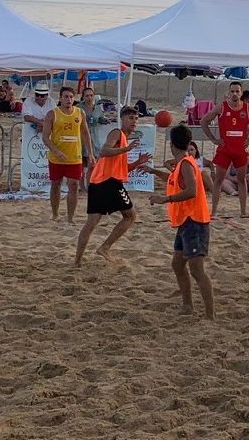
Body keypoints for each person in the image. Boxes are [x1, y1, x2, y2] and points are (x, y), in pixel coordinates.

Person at [76, 106, 152, 268]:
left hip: (99, 182)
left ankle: (77, 262)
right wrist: (127, 148)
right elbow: (103, 151)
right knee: (130, 216)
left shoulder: (123, 138)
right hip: (109, 182)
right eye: (130, 118)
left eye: (136, 118)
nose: (134, 121)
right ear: (122, 119)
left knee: (91, 223)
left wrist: (138, 162)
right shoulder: (117, 133)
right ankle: (104, 247)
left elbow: (121, 168)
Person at [153, 124, 215, 318]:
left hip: (195, 221)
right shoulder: (181, 164)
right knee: (177, 265)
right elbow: (173, 180)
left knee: (197, 270)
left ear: (172, 145)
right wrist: (152, 171)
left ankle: (210, 315)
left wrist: (166, 199)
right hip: (185, 222)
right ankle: (188, 305)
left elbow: (192, 190)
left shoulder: (186, 164)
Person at [203, 80, 249, 218]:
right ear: (228, 93)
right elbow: (204, 121)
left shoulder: (247, 108)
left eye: (237, 91)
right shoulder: (222, 107)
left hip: (240, 150)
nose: (235, 94)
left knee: (242, 180)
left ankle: (243, 212)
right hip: (225, 150)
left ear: (241, 93)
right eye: (232, 91)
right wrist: (213, 139)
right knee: (218, 180)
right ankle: (214, 212)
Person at [41, 84, 90, 222]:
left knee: (73, 185)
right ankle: (55, 213)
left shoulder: (80, 113)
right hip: (56, 157)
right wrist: (56, 151)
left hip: (75, 157)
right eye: (66, 97)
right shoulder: (52, 114)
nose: (68, 99)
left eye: (71, 97)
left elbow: (86, 134)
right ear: (60, 98)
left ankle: (70, 218)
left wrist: (91, 153)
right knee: (56, 184)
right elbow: (45, 137)